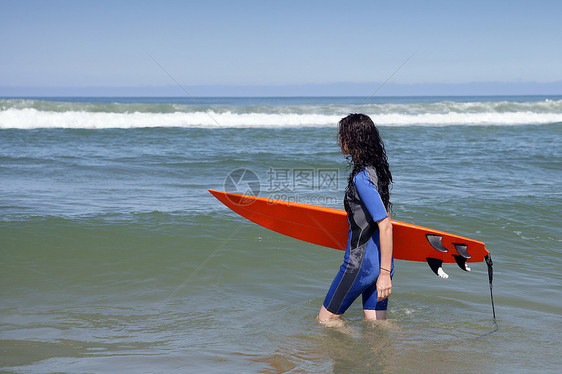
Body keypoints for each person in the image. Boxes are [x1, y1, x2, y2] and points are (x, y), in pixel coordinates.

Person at [317, 113, 394, 323]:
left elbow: (385, 226)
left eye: (342, 136)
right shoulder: (378, 172)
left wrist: (384, 275)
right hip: (381, 264)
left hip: (359, 266)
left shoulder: (362, 178)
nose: (339, 141)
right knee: (377, 329)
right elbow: (386, 217)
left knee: (325, 323)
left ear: (354, 140)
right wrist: (386, 271)